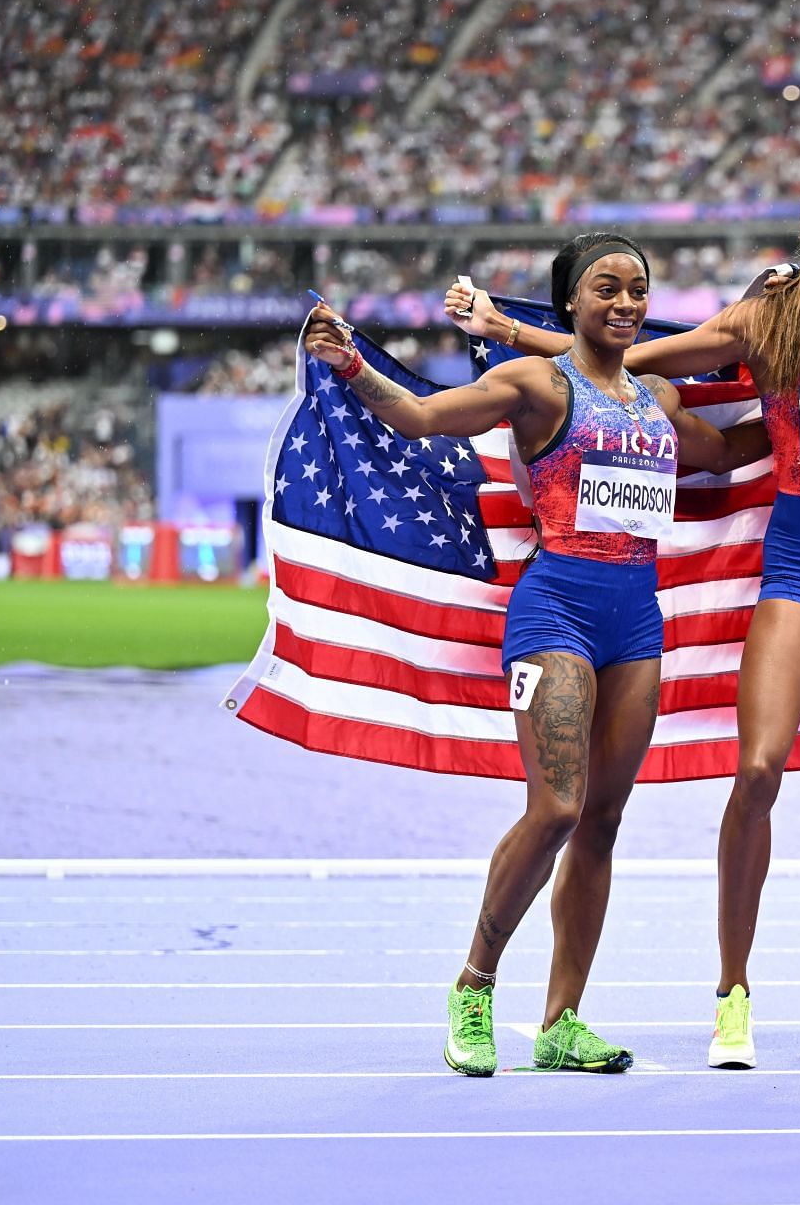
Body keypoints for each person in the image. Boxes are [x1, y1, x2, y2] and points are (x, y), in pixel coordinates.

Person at [467, 164, 800, 1069]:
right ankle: (733, 994)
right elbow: (629, 358)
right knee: (757, 769)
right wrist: (510, 329)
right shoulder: (769, 320)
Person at [307, 233, 767, 1076]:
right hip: (556, 610)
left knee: (602, 821)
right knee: (556, 807)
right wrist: (350, 367)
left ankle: (562, 1023)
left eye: (638, 289)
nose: (626, 304)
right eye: (607, 289)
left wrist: (797, 393)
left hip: (637, 622)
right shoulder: (535, 384)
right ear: (569, 304)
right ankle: (474, 986)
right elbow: (422, 417)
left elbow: (728, 451)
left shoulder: (657, 397)